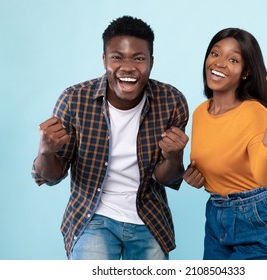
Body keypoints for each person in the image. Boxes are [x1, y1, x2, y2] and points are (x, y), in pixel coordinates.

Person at [31, 15, 189, 260]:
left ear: (151, 62)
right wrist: (45, 151)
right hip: (92, 217)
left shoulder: (171, 101)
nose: (128, 67)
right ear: (104, 60)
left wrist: (174, 157)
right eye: (117, 57)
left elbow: (166, 177)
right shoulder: (74, 100)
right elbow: (51, 177)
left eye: (138, 58)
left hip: (149, 218)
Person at [183, 28, 267, 260]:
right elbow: (220, 161)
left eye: (233, 59)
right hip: (216, 218)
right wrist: (197, 176)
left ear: (245, 73)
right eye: (215, 54)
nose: (220, 63)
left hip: (259, 222)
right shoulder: (200, 113)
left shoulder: (254, 112)